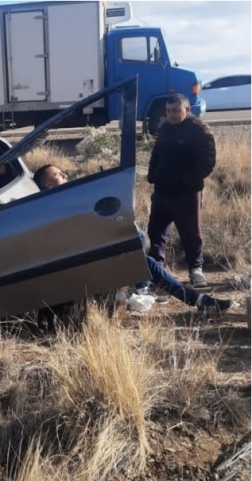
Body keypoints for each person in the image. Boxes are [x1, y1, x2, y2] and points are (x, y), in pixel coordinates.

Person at [33, 164, 232, 316]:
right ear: (48, 184)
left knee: (139, 243)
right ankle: (193, 299)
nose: (65, 175)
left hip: (90, 256)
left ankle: (187, 298)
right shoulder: (54, 207)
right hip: (81, 267)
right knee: (144, 259)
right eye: (58, 175)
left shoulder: (60, 201)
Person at [146, 93, 216, 288]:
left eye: (176, 111)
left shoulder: (199, 130)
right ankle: (157, 271)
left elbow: (208, 161)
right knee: (157, 232)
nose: (172, 115)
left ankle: (195, 269)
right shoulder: (166, 128)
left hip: (186, 192)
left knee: (190, 233)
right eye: (168, 111)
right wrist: (153, 174)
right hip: (162, 191)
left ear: (187, 110)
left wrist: (187, 181)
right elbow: (156, 154)